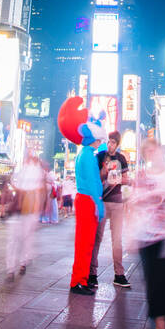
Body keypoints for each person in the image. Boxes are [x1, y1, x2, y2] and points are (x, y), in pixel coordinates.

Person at [130, 137, 165, 329]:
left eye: (153, 149)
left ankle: (162, 321)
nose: (151, 154)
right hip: (146, 237)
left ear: (160, 150)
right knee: (152, 282)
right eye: (147, 152)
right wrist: (131, 234)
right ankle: (158, 328)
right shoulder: (141, 176)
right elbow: (132, 204)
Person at [90, 130, 132, 289]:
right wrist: (103, 172)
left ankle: (119, 274)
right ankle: (92, 274)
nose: (110, 145)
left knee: (117, 240)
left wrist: (119, 178)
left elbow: (127, 180)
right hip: (102, 201)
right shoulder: (100, 157)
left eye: (113, 142)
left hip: (117, 202)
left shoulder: (121, 159)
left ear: (118, 144)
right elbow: (94, 178)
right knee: (97, 238)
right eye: (108, 142)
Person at [69, 121, 106, 295]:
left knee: (85, 242)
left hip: (84, 199)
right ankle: (79, 281)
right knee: (85, 242)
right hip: (88, 200)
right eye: (99, 140)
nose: (100, 143)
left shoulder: (84, 154)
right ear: (94, 139)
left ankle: (80, 279)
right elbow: (93, 183)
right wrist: (98, 204)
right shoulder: (88, 156)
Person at [6, 154, 46, 280]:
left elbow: (13, 183)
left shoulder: (23, 171)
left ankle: (11, 269)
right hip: (29, 207)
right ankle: (21, 263)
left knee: (14, 239)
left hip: (20, 206)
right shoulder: (38, 171)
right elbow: (41, 190)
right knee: (26, 237)